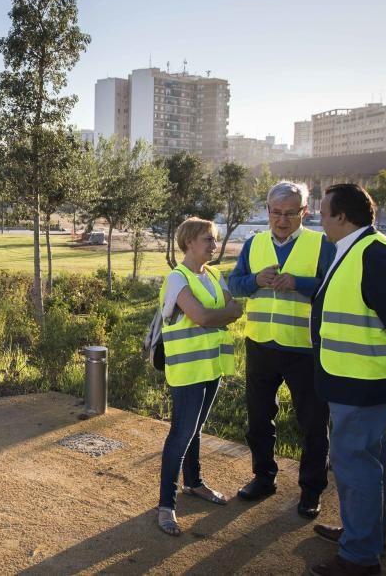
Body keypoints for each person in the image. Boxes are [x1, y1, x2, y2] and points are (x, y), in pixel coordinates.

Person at [308, 184, 386, 576]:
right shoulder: (360, 248)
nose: (320, 219)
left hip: (362, 382)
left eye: (324, 213)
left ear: (342, 218)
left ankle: (359, 556)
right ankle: (365, 536)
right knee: (369, 464)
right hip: (358, 380)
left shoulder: (373, 254)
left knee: (355, 468)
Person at [228, 181, 336, 519]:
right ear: (267, 211)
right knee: (259, 419)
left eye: (290, 213)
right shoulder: (254, 243)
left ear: (305, 211)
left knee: (314, 424)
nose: (282, 220)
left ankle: (310, 491)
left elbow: (334, 288)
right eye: (276, 212)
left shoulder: (322, 245)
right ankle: (263, 478)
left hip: (305, 350)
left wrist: (300, 284)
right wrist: (255, 281)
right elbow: (234, 283)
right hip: (260, 344)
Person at [156, 217, 243, 536]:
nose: (214, 244)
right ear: (190, 241)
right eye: (208, 238)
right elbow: (205, 315)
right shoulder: (177, 279)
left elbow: (236, 309)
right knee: (180, 434)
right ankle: (166, 505)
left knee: (196, 430)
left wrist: (223, 314)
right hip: (188, 370)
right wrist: (225, 314)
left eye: (215, 239)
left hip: (211, 366)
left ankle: (194, 484)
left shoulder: (215, 274)